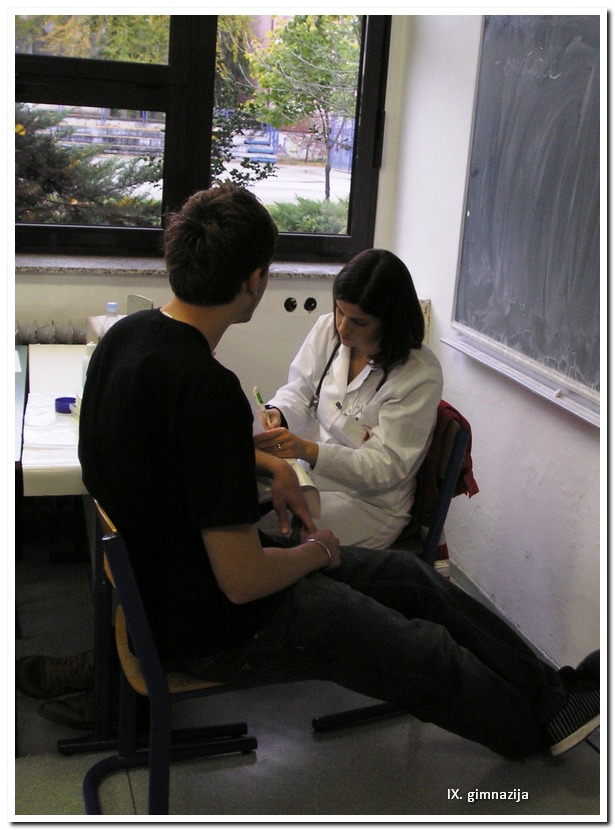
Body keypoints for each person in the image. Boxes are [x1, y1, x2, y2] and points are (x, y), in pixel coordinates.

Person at [46, 182, 596, 759]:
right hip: (217, 625)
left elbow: (162, 457)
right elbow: (243, 581)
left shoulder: (125, 337)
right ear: (256, 280)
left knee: (410, 579)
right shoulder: (207, 388)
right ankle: (534, 734)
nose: (342, 327)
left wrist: (268, 465)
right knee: (423, 652)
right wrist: (317, 553)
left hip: (170, 590)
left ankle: (553, 693)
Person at [254, 249, 443, 548]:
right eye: (340, 311)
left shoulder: (419, 375)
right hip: (313, 478)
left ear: (390, 321)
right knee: (241, 502)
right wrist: (279, 413)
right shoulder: (327, 329)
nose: (342, 327)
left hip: (370, 504)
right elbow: (300, 391)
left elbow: (385, 467)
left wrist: (309, 450)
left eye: (360, 321)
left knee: (273, 535)